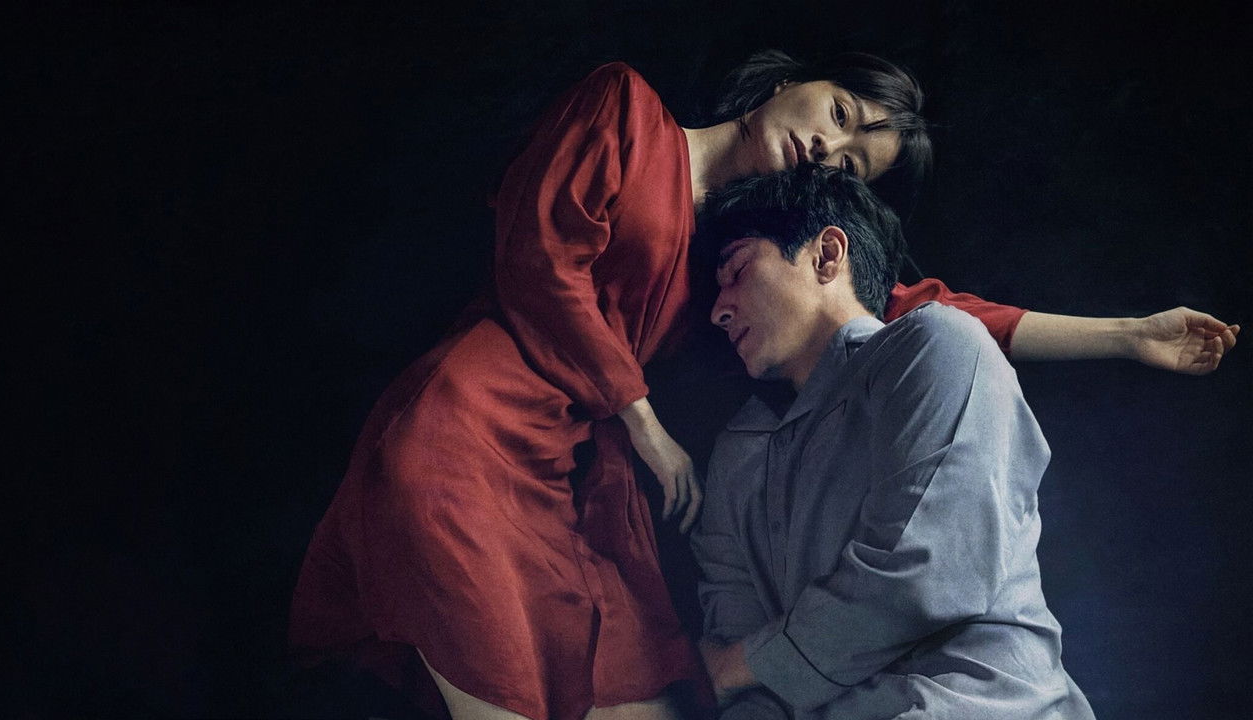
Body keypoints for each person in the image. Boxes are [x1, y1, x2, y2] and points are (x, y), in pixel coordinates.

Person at [288, 52, 1236, 720]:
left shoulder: (740, 256)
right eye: (840, 117)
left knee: (635, 687)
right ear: (792, 82)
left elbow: (916, 311)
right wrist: (645, 423)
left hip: (575, 468)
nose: (830, 148)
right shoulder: (626, 110)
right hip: (481, 414)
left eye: (854, 162)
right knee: (492, 657)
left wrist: (1125, 335)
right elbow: (538, 255)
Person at [694, 163, 1096, 719]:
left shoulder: (939, 345)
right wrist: (739, 676)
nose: (719, 310)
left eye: (737, 271)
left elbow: (923, 576)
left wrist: (741, 665)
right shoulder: (739, 451)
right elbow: (732, 659)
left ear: (826, 256)